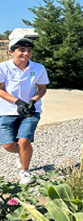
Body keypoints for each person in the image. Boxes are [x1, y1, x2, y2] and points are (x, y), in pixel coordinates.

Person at [0, 38, 49, 185]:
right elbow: (0, 90)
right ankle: (22, 155)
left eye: (29, 50)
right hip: (7, 110)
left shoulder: (38, 68)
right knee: (8, 145)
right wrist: (18, 102)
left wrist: (33, 101)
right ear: (11, 52)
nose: (26, 53)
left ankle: (25, 171)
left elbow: (42, 88)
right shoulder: (3, 68)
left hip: (31, 111)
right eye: (21, 50)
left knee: (24, 141)